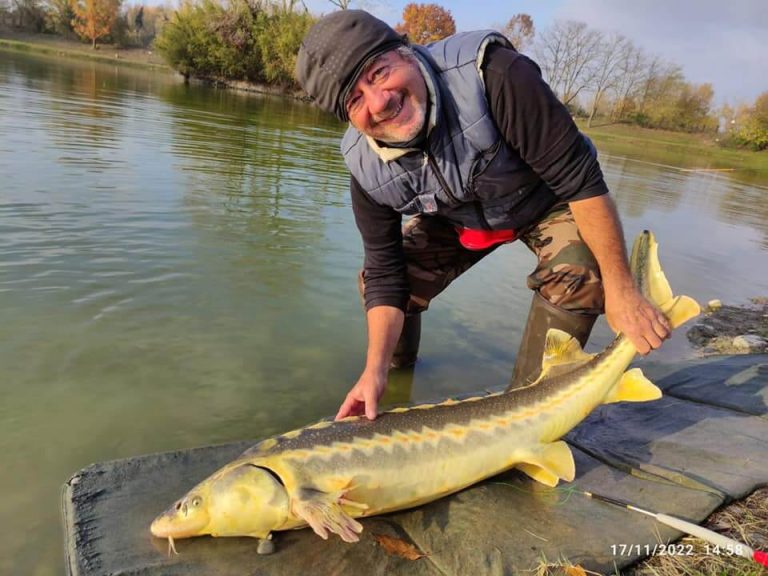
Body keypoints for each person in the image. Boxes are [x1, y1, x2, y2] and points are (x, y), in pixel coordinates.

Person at [295, 10, 671, 421]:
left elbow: (581, 181)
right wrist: (374, 371)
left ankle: (532, 410)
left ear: (406, 50)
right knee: (379, 281)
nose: (380, 102)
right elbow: (385, 272)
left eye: (379, 73)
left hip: (542, 201)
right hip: (459, 219)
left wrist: (622, 291)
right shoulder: (365, 167)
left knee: (582, 274)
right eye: (355, 99)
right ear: (347, 117)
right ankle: (398, 380)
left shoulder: (496, 75)